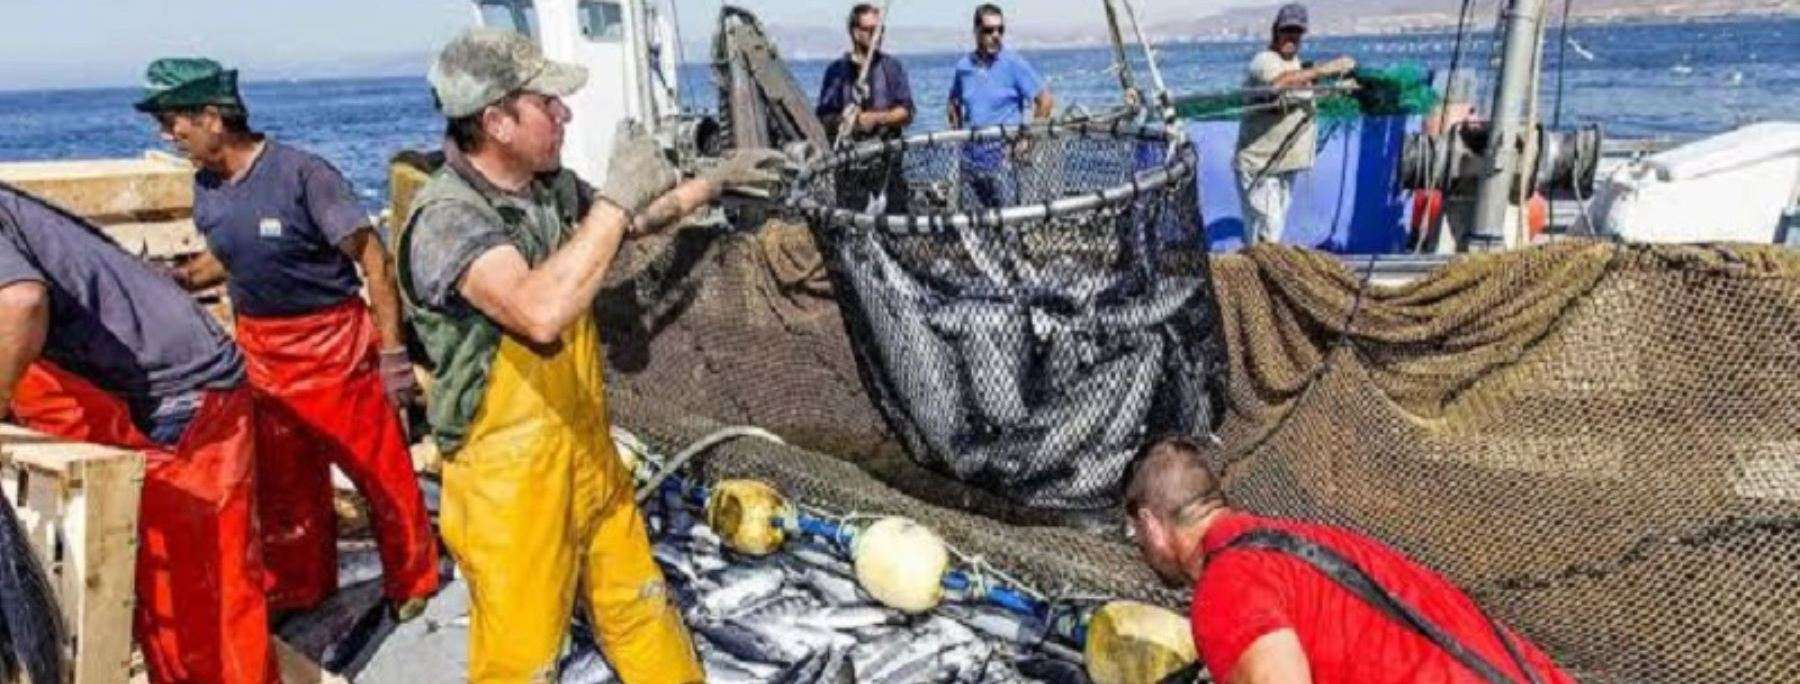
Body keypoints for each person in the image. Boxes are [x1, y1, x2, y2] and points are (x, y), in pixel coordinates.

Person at [402, 28, 785, 682]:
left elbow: (628, 224)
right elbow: (538, 312)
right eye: (546, 103)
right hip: (509, 485)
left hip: (585, 447)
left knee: (640, 605)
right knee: (522, 662)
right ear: (496, 122)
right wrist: (612, 200)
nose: (565, 114)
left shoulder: (545, 187)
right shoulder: (447, 219)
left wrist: (714, 184)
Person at [133, 57, 440, 619]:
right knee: (285, 484)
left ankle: (413, 578)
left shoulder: (303, 176)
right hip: (262, 352)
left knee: (379, 472)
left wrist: (393, 353)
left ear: (212, 118)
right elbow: (228, 255)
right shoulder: (207, 187)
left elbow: (373, 259)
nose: (167, 135)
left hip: (333, 346)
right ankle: (303, 586)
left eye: (172, 121)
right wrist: (180, 279)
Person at [0, 184, 277, 683]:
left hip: (179, 394)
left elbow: (21, 304)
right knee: (159, 584)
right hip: (143, 381)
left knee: (201, 594)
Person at [1124, 436, 1575, 684]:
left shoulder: (1227, 587)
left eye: (1135, 534)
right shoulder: (1305, 542)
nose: (1139, 546)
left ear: (1152, 524)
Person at [1234, 3, 1356, 245]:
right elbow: (1279, 84)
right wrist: (1326, 69)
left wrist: (1335, 89)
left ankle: (1254, 266)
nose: (1291, 37)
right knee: (1270, 229)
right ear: (1275, 31)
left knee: (1266, 232)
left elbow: (1302, 95)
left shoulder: (1296, 65)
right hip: (1260, 166)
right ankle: (1262, 267)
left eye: (1297, 31)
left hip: (1284, 165)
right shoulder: (1264, 61)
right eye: (1287, 30)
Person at [947, 3, 1054, 208]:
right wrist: (957, 134)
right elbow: (953, 101)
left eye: (1000, 30)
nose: (996, 35)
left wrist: (1028, 139)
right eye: (989, 30)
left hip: (1004, 160)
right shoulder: (963, 67)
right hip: (970, 159)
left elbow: (1045, 100)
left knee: (1008, 220)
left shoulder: (1013, 63)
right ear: (976, 31)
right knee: (972, 219)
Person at [817, 2, 915, 212]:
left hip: (887, 167)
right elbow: (824, 117)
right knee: (851, 220)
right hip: (850, 170)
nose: (877, 36)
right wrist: (846, 121)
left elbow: (907, 112)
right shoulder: (836, 72)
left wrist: (875, 118)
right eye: (871, 30)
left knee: (893, 221)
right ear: (855, 32)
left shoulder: (891, 68)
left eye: (880, 30)